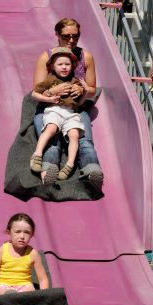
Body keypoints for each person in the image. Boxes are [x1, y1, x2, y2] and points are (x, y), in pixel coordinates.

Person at [32, 18, 103, 189]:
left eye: (75, 36)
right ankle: (48, 169)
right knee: (52, 135)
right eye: (66, 36)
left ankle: (91, 169)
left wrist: (83, 90)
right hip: (49, 106)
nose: (71, 40)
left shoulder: (86, 57)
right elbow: (36, 90)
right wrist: (52, 93)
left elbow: (92, 88)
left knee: (83, 137)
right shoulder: (47, 57)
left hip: (75, 107)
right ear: (57, 35)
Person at [31, 47, 87, 181]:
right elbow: (34, 93)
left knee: (74, 135)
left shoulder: (75, 82)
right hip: (54, 109)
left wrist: (84, 91)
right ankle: (37, 155)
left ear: (72, 66)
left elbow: (79, 103)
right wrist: (49, 98)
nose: (64, 67)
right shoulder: (50, 80)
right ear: (53, 66)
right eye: (60, 64)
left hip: (71, 113)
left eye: (67, 64)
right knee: (51, 129)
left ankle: (69, 164)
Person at [0, 213, 49, 297]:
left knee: (30, 292)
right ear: (9, 232)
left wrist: (44, 298)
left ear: (32, 235)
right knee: (5, 292)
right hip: (4, 285)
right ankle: (12, 299)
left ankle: (20, 301)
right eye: (17, 232)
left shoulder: (33, 254)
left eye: (27, 232)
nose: (22, 236)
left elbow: (43, 280)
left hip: (25, 286)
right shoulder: (1, 251)